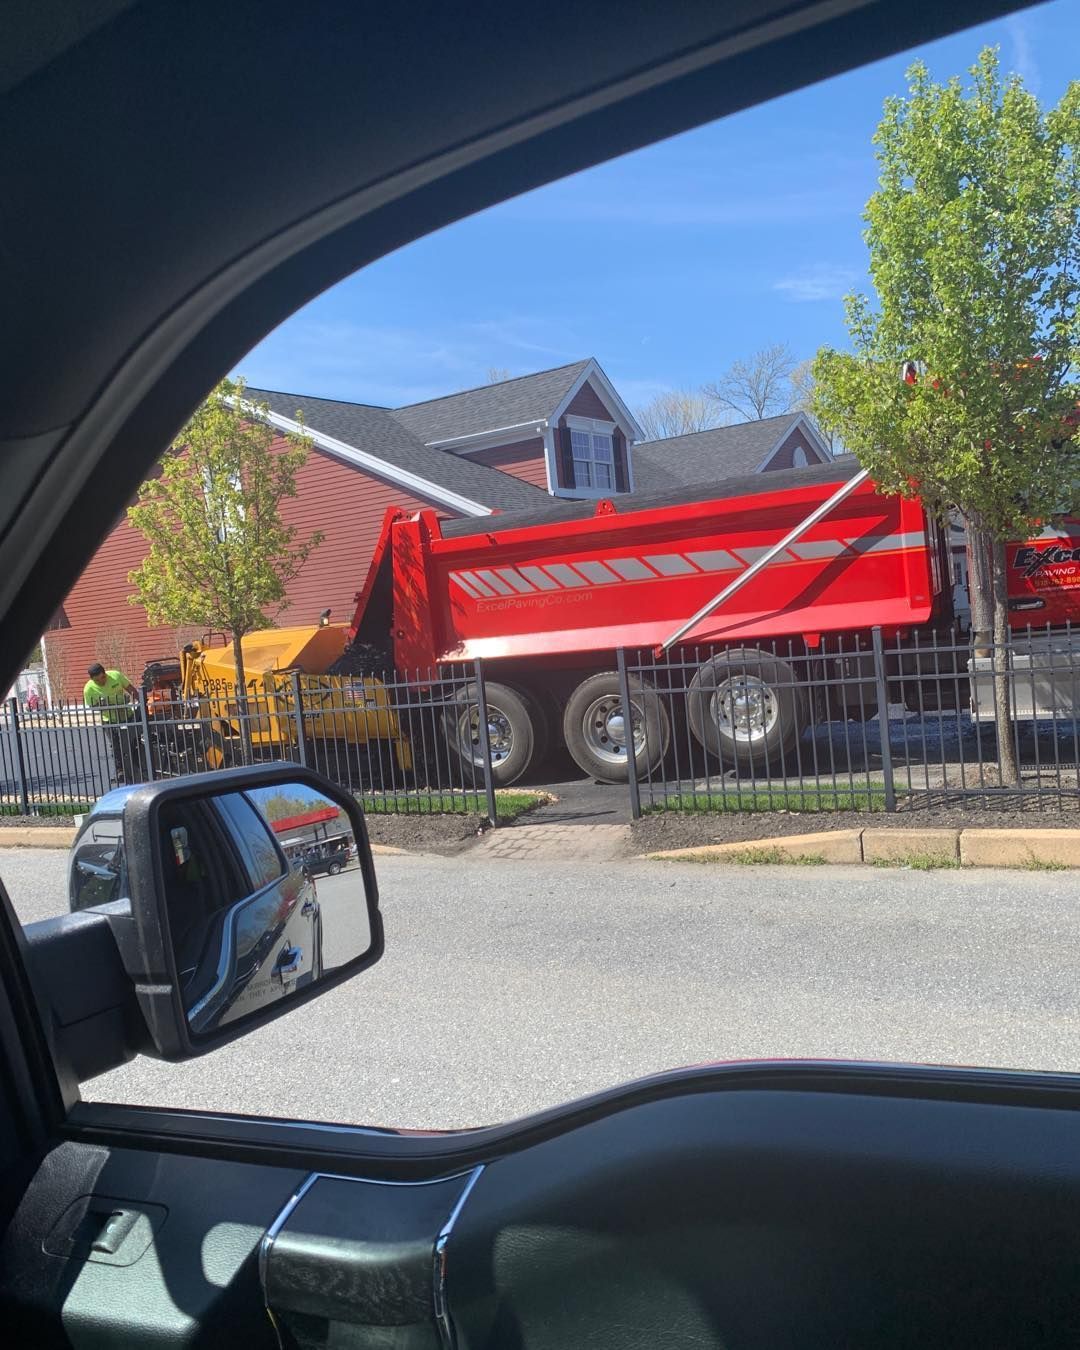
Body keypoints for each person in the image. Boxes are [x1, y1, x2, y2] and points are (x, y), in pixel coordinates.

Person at [84, 661, 140, 785]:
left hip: (127, 715)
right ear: (93, 680)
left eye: (103, 678)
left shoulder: (115, 675)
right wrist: (106, 706)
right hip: (109, 720)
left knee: (133, 741)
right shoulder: (89, 688)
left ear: (105, 673)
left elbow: (131, 690)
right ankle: (120, 771)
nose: (102, 681)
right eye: (97, 681)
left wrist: (141, 701)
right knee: (115, 746)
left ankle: (137, 767)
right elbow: (93, 706)